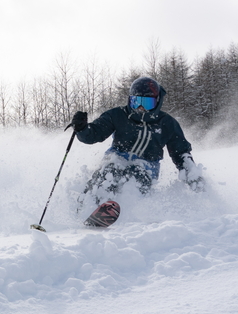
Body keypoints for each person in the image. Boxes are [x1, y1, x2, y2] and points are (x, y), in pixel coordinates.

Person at [70, 76, 204, 217]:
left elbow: (181, 152)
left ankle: (129, 213)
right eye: (136, 102)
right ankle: (87, 207)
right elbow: (94, 134)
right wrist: (82, 129)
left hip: (146, 166)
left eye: (147, 103)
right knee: (109, 172)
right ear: (130, 100)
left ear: (157, 102)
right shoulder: (118, 115)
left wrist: (191, 173)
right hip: (116, 158)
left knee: (136, 174)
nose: (140, 108)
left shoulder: (167, 123)